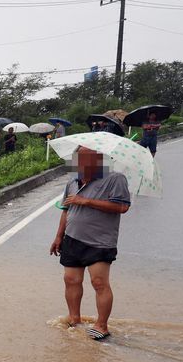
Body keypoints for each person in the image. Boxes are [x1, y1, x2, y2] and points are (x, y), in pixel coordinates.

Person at [49, 146, 131, 341]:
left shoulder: (115, 179)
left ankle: (101, 325)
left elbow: (122, 206)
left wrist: (86, 201)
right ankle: (74, 317)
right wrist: (59, 236)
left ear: (99, 160)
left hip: (100, 242)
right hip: (72, 238)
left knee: (99, 282)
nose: (79, 163)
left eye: (84, 159)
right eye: (77, 158)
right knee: (70, 280)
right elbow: (65, 210)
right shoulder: (72, 181)